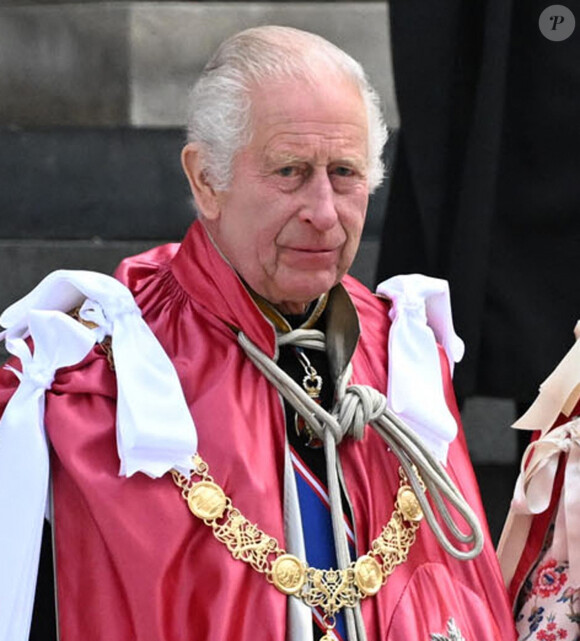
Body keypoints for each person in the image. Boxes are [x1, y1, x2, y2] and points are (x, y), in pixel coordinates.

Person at [0, 26, 516, 641]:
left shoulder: (401, 352)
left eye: (346, 173)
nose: (324, 212)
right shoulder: (94, 374)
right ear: (205, 180)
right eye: (290, 171)